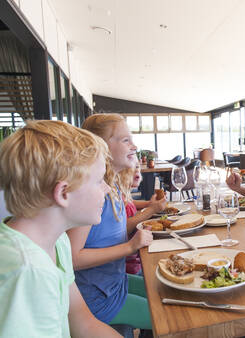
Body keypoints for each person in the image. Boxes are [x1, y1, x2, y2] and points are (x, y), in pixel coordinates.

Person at [0, 120, 121, 337]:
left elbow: (82, 322)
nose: (107, 188)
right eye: (99, 180)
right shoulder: (29, 270)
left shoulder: (57, 241)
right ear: (63, 193)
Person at [66, 113, 155, 333]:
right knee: (169, 318)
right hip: (98, 299)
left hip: (117, 283)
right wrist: (130, 246)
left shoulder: (111, 185)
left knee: (165, 291)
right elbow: (72, 258)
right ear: (102, 146)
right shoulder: (93, 192)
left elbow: (110, 233)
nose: (134, 146)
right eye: (125, 140)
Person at [120, 161, 166, 274]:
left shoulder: (123, 193)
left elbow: (130, 202)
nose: (137, 170)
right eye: (132, 167)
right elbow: (124, 227)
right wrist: (151, 210)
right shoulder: (114, 195)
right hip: (130, 265)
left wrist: (148, 204)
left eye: (138, 167)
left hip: (137, 254)